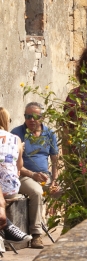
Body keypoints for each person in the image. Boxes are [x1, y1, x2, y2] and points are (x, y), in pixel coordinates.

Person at [10, 103, 58, 247]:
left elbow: (55, 161)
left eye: (35, 116)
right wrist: (32, 174)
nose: (31, 120)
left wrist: (55, 180)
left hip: (45, 176)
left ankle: (71, 229)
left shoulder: (49, 134)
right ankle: (36, 235)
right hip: (23, 176)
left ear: (41, 117)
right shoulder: (17, 133)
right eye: (28, 116)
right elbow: (13, 163)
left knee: (62, 191)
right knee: (37, 192)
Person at [0, 109, 32, 247]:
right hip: (11, 187)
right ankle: (8, 229)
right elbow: (19, 166)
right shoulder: (16, 139)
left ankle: (7, 229)